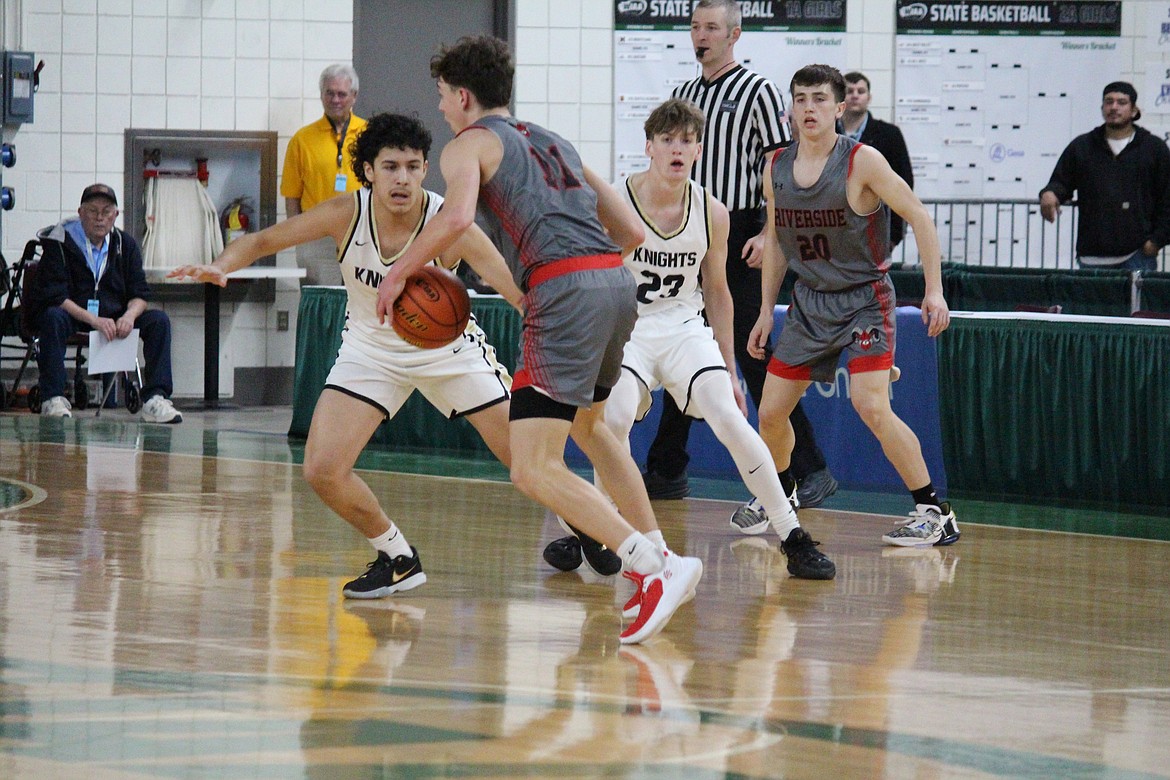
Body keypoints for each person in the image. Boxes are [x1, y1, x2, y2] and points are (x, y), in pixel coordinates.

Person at [373, 35, 703, 645]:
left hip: (566, 291)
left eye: (444, 96)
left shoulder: (466, 144)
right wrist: (590, 272)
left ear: (464, 95)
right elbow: (631, 229)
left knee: (531, 467)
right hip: (615, 282)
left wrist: (396, 275)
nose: (442, 108)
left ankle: (651, 565)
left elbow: (456, 218)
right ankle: (652, 556)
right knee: (595, 430)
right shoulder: (555, 140)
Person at [169, 113, 522, 599]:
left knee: (528, 461)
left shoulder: (448, 219)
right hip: (370, 350)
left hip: (447, 350)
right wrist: (221, 265)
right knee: (322, 468)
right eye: (391, 166)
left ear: (425, 171)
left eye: (413, 167)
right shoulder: (345, 213)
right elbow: (265, 239)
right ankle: (398, 556)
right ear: (369, 171)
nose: (402, 178)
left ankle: (593, 533)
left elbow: (504, 277)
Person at [544, 98, 835, 579]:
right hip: (628, 330)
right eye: (668, 140)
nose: (678, 149)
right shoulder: (616, 201)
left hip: (683, 328)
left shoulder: (711, 211)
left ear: (699, 150)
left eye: (688, 140)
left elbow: (717, 291)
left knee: (730, 417)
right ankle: (598, 529)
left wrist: (729, 366)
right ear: (649, 147)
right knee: (612, 420)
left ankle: (793, 535)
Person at [749, 64, 960, 548]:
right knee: (770, 412)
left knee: (870, 404)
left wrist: (934, 290)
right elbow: (778, 244)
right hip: (808, 302)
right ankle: (781, 498)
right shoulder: (775, 166)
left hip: (865, 299)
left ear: (840, 108)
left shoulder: (863, 161)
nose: (809, 108)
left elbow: (920, 217)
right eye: (800, 98)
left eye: (819, 99)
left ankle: (934, 511)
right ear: (790, 107)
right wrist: (766, 310)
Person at [644, 0, 839, 514]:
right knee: (685, 347)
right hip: (693, 229)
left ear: (734, 35)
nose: (700, 35)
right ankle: (667, 468)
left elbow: (781, 165)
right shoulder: (684, 94)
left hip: (745, 230)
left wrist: (770, 233)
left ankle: (810, 468)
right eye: (695, 26)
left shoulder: (757, 90)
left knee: (752, 353)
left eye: (711, 27)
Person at [31, 183, 182, 423]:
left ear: (115, 216)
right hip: (75, 314)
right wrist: (94, 320)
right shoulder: (58, 243)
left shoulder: (126, 244)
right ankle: (53, 397)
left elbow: (140, 293)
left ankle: (155, 398)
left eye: (106, 212)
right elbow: (55, 296)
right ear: (81, 213)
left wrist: (129, 316)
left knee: (158, 321)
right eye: (93, 211)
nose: (100, 218)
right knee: (52, 317)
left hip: (115, 316)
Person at [1040, 81, 1170, 271]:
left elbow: (1168, 197)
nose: (1114, 107)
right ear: (1102, 108)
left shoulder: (1153, 148)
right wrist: (1050, 193)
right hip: (1091, 257)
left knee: (1136, 303)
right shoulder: (1082, 146)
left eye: (1121, 102)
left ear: (1134, 110)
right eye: (1109, 102)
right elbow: (1061, 181)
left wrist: (1157, 241)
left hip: (1138, 255)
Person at [280, 64, 368, 285]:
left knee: (360, 306)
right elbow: (292, 197)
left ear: (354, 96)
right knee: (318, 307)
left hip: (360, 235)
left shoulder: (370, 135)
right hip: (316, 237)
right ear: (321, 95)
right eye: (329, 93)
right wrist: (299, 236)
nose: (335, 99)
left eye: (342, 94)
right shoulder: (302, 139)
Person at [840, 71, 914, 251]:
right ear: (840, 98)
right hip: (833, 229)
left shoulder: (889, 135)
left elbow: (904, 182)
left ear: (869, 97)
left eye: (860, 91)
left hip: (875, 230)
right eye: (849, 91)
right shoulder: (826, 133)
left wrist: (894, 235)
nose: (855, 95)